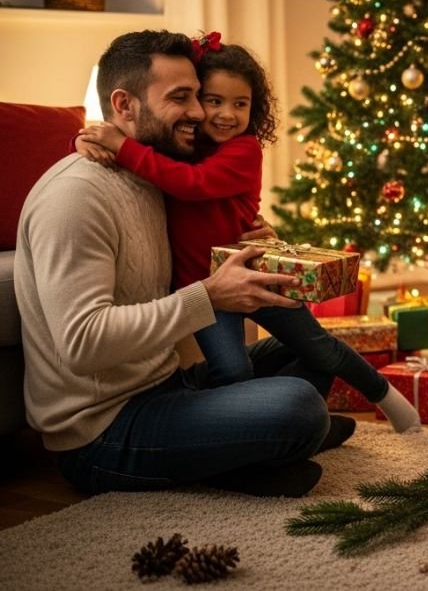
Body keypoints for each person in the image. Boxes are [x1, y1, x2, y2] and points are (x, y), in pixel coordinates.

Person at [18, 30, 338, 499]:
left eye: (197, 95)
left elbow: (204, 211)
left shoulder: (154, 172)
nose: (199, 113)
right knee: (299, 406)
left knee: (315, 348)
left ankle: (247, 453)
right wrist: (207, 297)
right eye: (180, 98)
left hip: (166, 383)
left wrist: (252, 232)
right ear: (124, 106)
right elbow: (83, 345)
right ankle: (255, 450)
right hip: (105, 430)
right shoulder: (76, 198)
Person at [74, 33, 420, 434]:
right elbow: (144, 150)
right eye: (214, 101)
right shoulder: (179, 147)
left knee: (318, 346)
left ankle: (386, 397)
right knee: (231, 369)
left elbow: (193, 184)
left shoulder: (243, 150)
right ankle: (262, 432)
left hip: (256, 272)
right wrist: (86, 139)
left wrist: (118, 144)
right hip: (203, 287)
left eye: (241, 104)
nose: (227, 114)